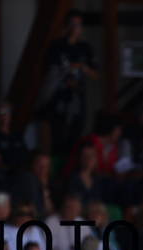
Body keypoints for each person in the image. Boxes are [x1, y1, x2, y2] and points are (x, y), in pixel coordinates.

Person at [37, 8, 98, 155]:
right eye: (71, 24)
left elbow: (95, 74)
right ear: (66, 25)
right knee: (57, 139)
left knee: (75, 138)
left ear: (81, 27)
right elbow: (47, 73)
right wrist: (64, 77)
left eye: (77, 25)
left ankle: (71, 166)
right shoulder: (55, 46)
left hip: (77, 98)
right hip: (57, 100)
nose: (74, 28)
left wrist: (82, 67)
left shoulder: (85, 48)